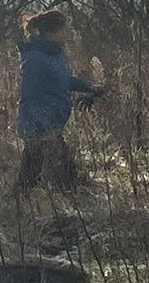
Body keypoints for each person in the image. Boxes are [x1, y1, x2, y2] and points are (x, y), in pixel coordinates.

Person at [16, 10, 102, 193]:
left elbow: (63, 80)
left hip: (53, 122)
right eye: (65, 29)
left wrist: (90, 88)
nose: (69, 33)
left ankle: (22, 203)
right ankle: (26, 208)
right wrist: (40, 125)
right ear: (52, 32)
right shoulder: (35, 58)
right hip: (40, 125)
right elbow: (29, 93)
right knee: (52, 175)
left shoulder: (56, 54)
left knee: (36, 173)